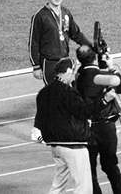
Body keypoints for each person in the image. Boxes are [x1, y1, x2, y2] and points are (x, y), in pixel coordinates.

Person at [34, 58, 93, 194]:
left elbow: (41, 119)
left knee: (58, 186)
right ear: (67, 71)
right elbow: (84, 112)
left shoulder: (43, 93)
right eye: (73, 71)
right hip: (73, 145)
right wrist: (103, 101)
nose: (74, 74)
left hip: (55, 146)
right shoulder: (68, 92)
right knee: (84, 187)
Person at [75, 45, 121, 194]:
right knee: (111, 166)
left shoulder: (77, 76)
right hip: (106, 127)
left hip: (86, 128)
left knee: (90, 172)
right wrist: (111, 67)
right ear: (94, 57)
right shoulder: (102, 76)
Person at [28, 0, 92, 86]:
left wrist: (91, 46)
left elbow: (76, 34)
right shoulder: (39, 16)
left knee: (71, 92)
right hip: (49, 63)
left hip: (65, 60)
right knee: (55, 94)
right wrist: (36, 66)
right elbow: (33, 43)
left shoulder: (66, 13)